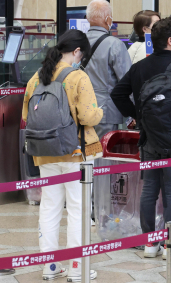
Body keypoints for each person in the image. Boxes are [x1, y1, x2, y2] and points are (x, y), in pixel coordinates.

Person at [111, 18, 171, 260]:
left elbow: (118, 93)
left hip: (149, 139)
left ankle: (150, 244)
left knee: (150, 190)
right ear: (170, 41)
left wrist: (139, 115)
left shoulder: (140, 67)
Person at [22, 30, 102, 281]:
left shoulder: (36, 77)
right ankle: (78, 268)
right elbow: (88, 116)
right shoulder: (77, 76)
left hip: (44, 153)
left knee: (49, 207)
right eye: (83, 56)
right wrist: (100, 113)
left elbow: (26, 116)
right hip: (75, 152)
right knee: (78, 208)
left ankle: (50, 266)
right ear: (77, 52)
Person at [84, 0, 132, 139]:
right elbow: (127, 80)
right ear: (107, 19)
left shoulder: (78, 42)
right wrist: (132, 112)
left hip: (80, 108)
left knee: (84, 153)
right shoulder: (115, 45)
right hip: (105, 112)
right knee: (102, 156)